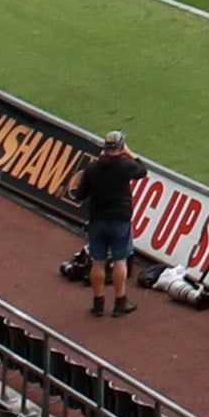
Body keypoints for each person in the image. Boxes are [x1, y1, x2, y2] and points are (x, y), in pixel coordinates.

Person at [74, 131, 148, 319]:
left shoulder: (92, 168)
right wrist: (130, 153)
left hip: (97, 219)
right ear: (121, 147)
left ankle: (98, 304)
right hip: (119, 218)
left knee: (98, 261)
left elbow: (80, 194)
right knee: (120, 260)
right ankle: (119, 301)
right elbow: (142, 171)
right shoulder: (126, 165)